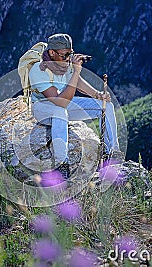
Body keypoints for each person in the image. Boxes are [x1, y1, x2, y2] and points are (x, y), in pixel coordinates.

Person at [29, 33, 120, 178]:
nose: (68, 59)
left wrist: (98, 95)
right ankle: (61, 164)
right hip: (43, 107)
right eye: (64, 55)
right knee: (60, 112)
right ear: (52, 53)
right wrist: (77, 70)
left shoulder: (64, 65)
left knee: (106, 106)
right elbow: (60, 101)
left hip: (63, 104)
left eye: (70, 54)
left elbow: (77, 82)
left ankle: (112, 154)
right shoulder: (38, 70)